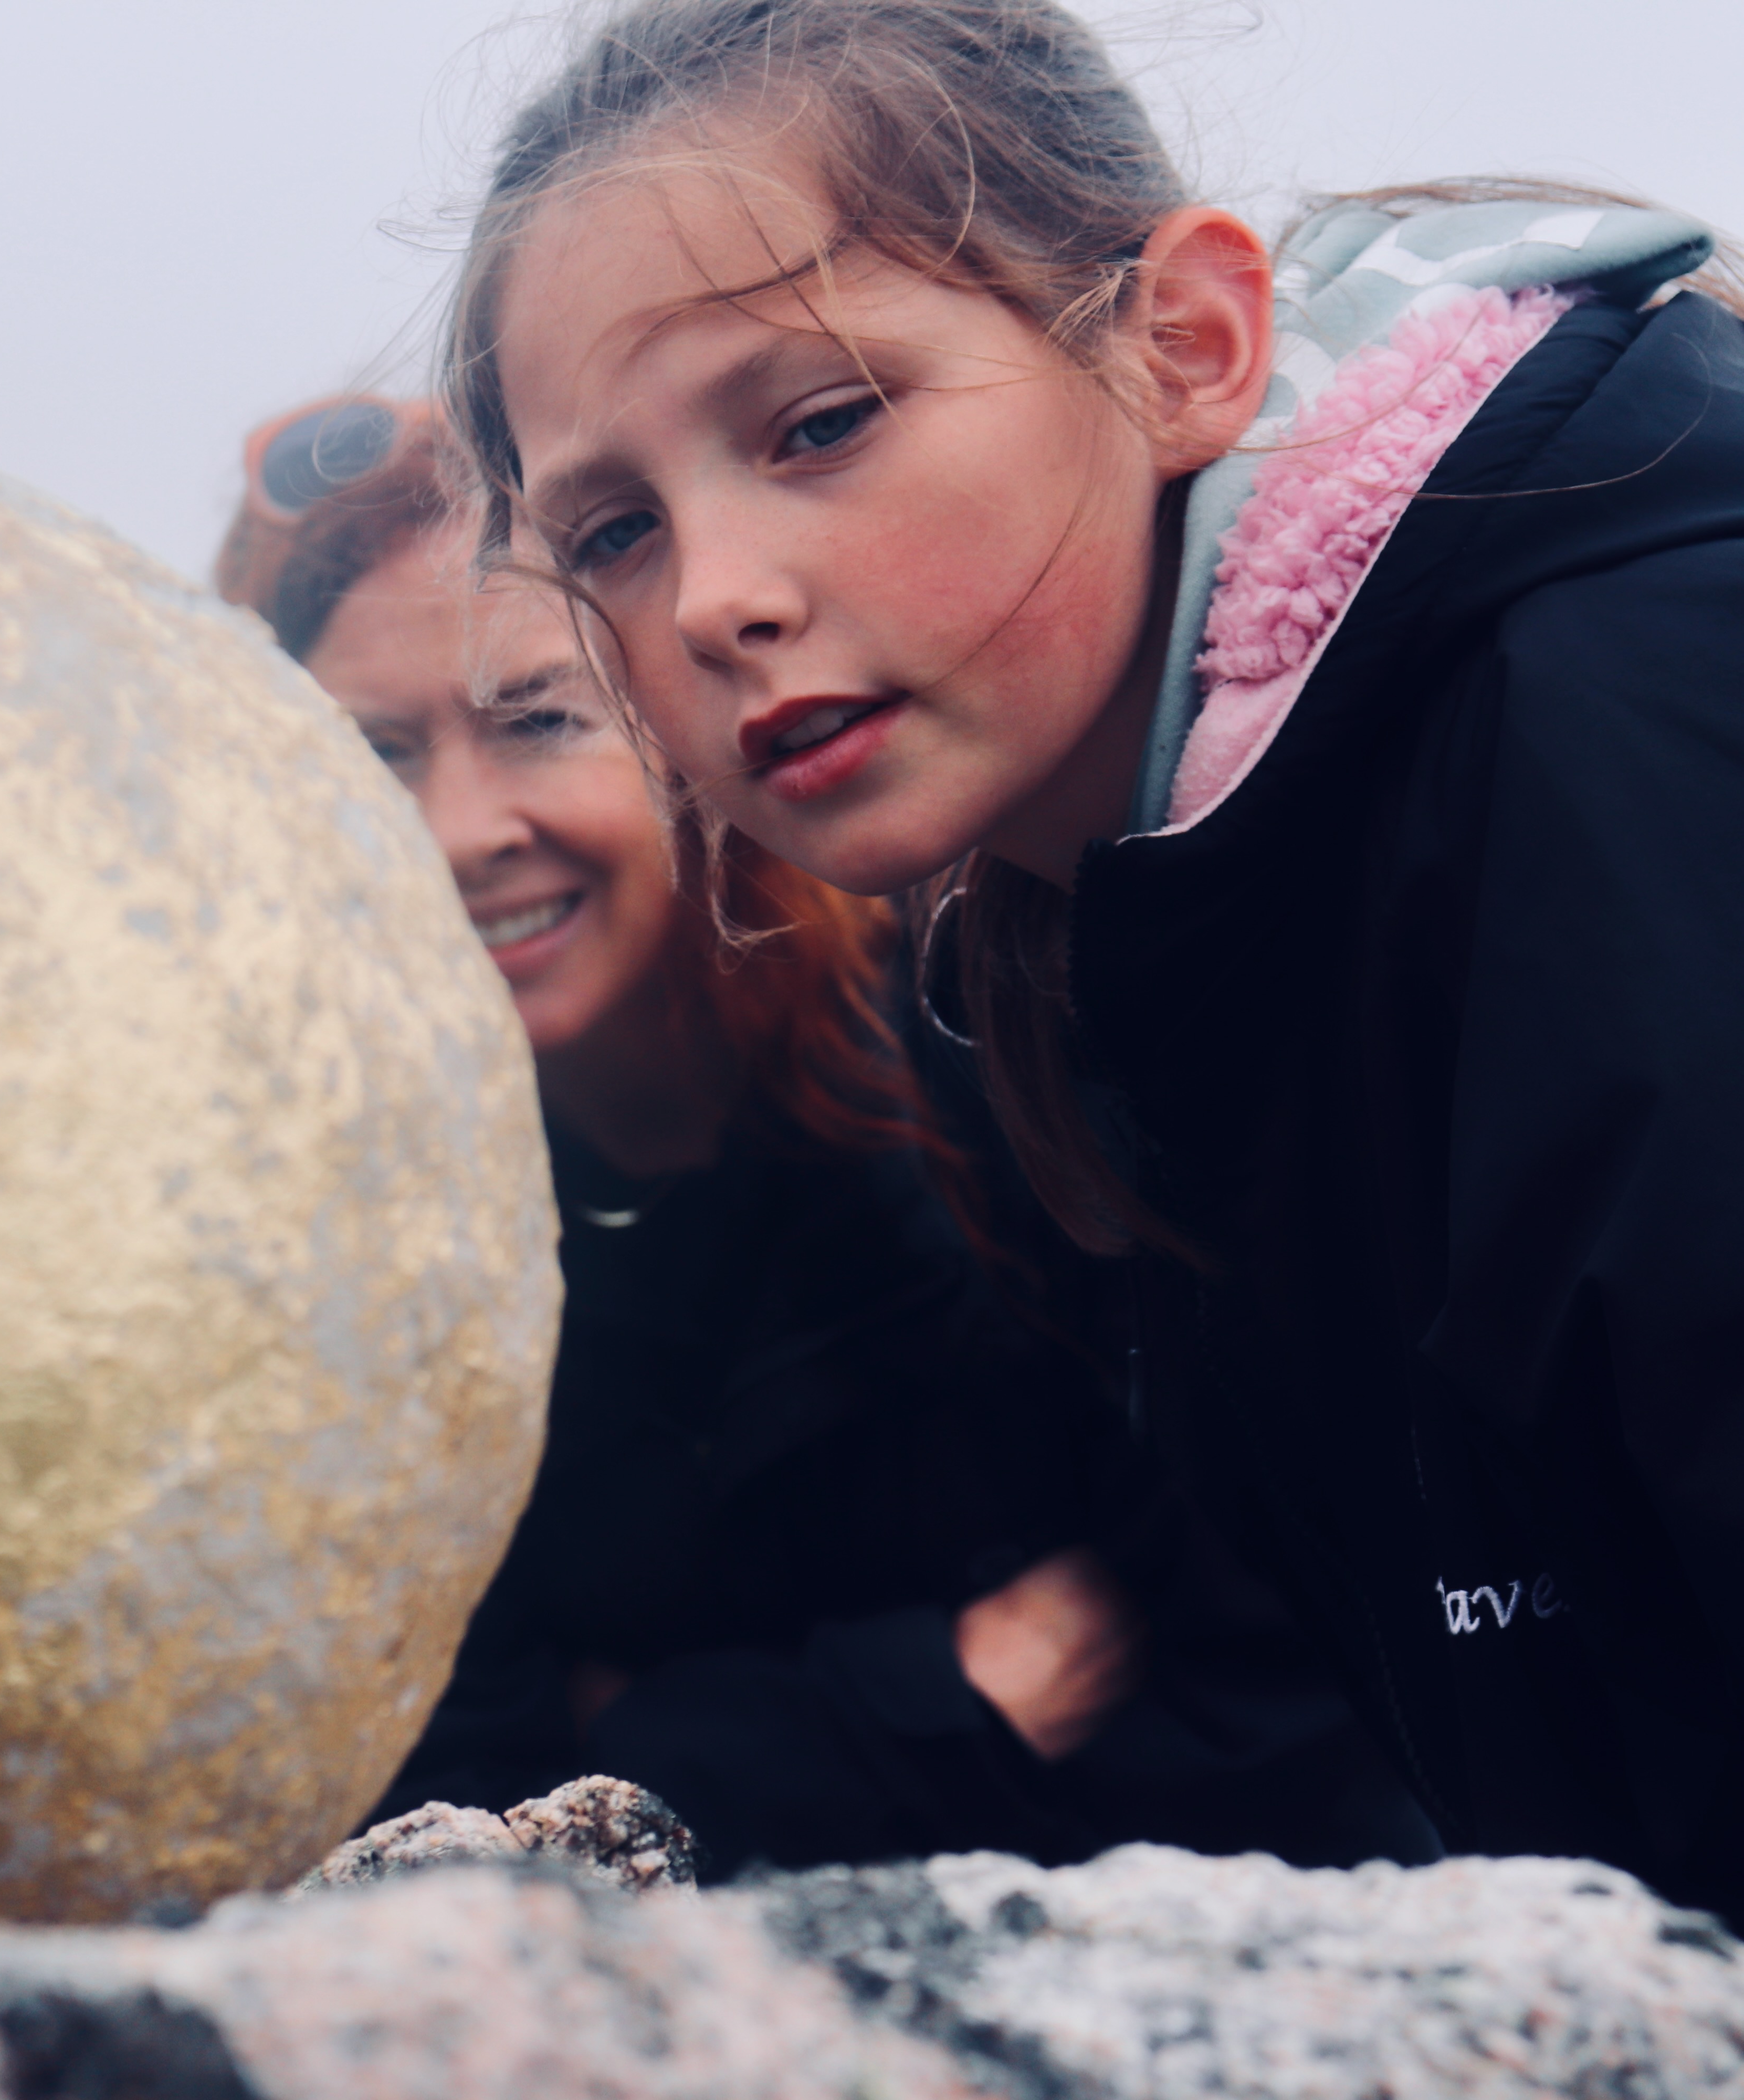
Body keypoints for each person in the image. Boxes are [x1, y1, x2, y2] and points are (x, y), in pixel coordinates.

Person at [439, 0, 1744, 1917]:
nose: (714, 601)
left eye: (822, 422)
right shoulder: (1098, 947)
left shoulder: (1633, 731)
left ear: (1185, 347)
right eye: (616, 532)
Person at [216, 397, 1432, 1877]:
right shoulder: (337, 1246)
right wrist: (938, 1700)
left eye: (537, 720)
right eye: (374, 756)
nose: (460, 831)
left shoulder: (993, 1042)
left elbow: (1284, 1669)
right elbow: (430, 1812)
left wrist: (638, 1734)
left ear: (681, 706)